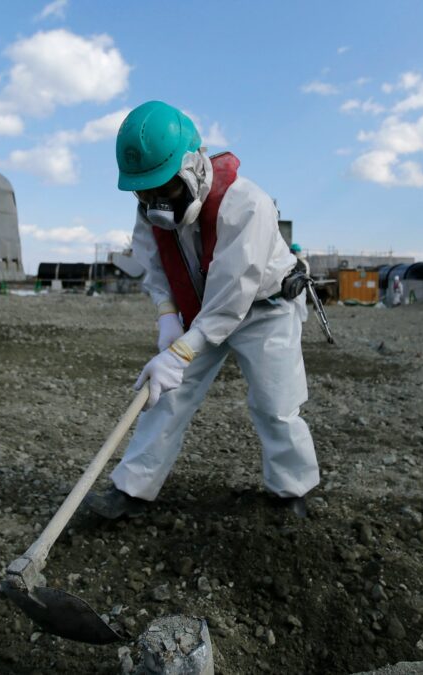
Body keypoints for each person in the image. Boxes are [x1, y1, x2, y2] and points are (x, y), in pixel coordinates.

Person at [85, 101, 318, 520]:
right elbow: (153, 268)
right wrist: (166, 315)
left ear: (193, 165)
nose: (157, 203)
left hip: (266, 308)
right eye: (146, 192)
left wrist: (180, 351)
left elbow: (233, 293)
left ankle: (290, 492)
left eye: (166, 188)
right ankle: (132, 490)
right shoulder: (151, 212)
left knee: (275, 403)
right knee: (164, 396)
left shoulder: (246, 205)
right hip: (199, 311)